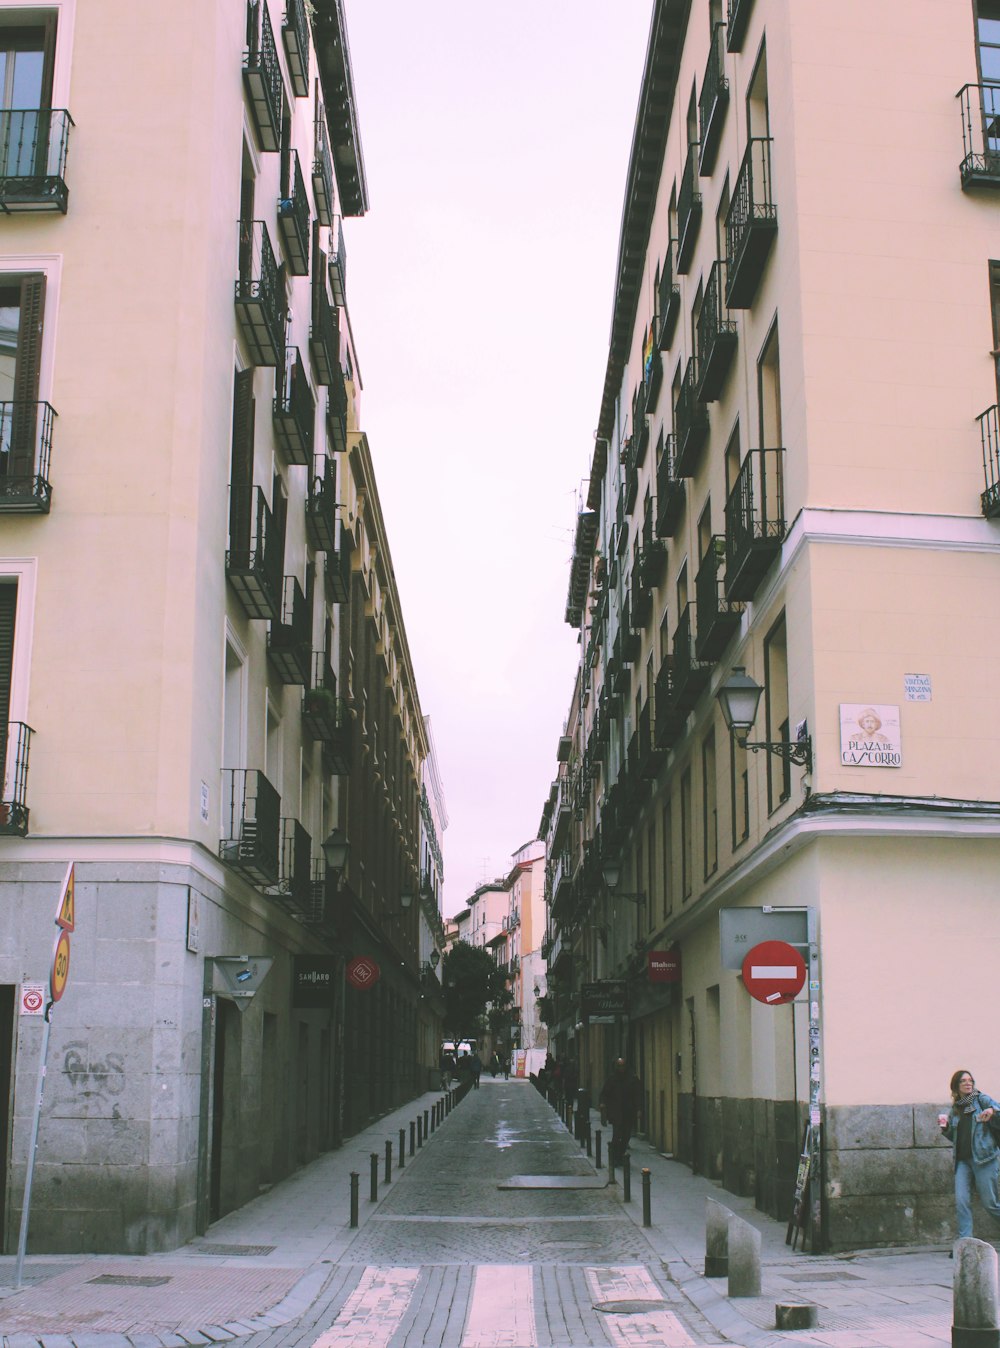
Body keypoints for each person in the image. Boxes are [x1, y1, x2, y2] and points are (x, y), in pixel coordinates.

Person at [940, 1069, 1000, 1242]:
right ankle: (966, 1243)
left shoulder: (982, 1100)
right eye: (963, 1081)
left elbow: (998, 1108)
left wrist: (991, 1111)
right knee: (961, 1202)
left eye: (970, 1080)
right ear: (956, 1086)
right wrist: (945, 1129)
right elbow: (955, 1137)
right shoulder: (956, 1108)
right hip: (962, 1161)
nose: (968, 1083)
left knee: (991, 1204)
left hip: (984, 1159)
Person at [599, 1057, 643, 1165]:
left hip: (628, 1112)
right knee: (617, 1134)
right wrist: (603, 1104)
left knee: (626, 1136)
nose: (621, 1068)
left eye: (623, 1065)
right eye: (619, 1066)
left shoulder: (632, 1079)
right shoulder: (612, 1079)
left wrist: (639, 1109)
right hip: (616, 1112)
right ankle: (615, 1157)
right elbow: (604, 1093)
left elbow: (638, 1095)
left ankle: (620, 1153)